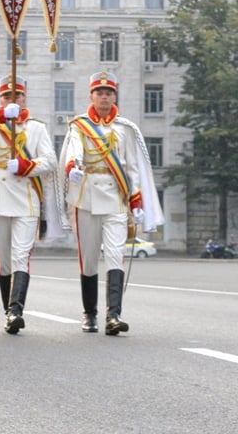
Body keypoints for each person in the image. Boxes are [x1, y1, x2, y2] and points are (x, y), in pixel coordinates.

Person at [59, 72, 163, 335]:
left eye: (109, 92)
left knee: (116, 255)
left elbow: (132, 167)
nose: (104, 97)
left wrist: (136, 201)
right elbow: (74, 150)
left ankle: (113, 316)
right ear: (91, 96)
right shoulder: (79, 126)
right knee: (90, 258)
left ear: (115, 96)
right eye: (100, 92)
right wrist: (73, 167)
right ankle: (90, 314)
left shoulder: (125, 128)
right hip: (87, 196)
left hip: (116, 198)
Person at [0, 75, 57, 334]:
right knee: (4, 258)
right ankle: (8, 311)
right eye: (7, 96)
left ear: (24, 97)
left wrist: (26, 166)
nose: (12, 99)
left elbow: (50, 161)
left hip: (26, 197)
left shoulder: (36, 128)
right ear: (1, 99)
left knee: (20, 255)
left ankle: (16, 310)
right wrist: (0, 114)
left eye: (17, 95)